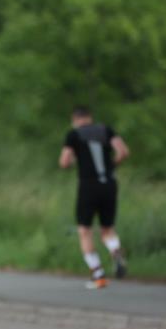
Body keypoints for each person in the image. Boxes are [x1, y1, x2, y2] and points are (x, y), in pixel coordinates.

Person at [59, 106, 130, 289]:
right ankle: (115, 249)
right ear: (90, 117)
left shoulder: (74, 135)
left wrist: (76, 160)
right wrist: (111, 166)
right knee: (107, 228)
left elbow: (64, 162)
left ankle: (98, 275)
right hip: (109, 184)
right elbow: (123, 152)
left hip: (88, 185)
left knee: (85, 230)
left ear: (74, 120)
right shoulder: (106, 130)